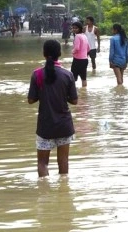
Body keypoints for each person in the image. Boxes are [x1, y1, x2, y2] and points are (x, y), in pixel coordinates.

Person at [28, 40, 78, 177]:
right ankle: (63, 194)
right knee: (63, 162)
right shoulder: (68, 75)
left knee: (42, 163)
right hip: (64, 125)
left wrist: (43, 94)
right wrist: (62, 95)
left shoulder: (37, 74)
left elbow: (31, 100)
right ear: (59, 54)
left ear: (44, 54)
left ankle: (44, 193)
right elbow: (74, 101)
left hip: (45, 126)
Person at [71, 21, 90, 87]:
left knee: (73, 78)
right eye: (73, 28)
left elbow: (77, 48)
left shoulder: (77, 36)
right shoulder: (84, 36)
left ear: (80, 28)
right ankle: (84, 93)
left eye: (76, 28)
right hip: (85, 60)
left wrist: (72, 52)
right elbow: (88, 48)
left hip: (77, 60)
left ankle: (73, 94)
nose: (74, 29)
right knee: (84, 78)